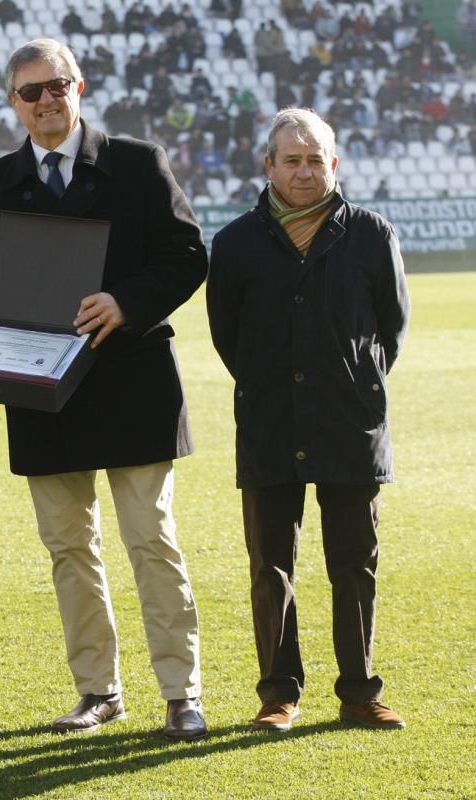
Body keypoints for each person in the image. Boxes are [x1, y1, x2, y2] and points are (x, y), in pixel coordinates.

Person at [0, 38, 209, 740]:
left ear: (79, 86)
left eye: (55, 86)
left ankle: (182, 693)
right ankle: (98, 691)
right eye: (30, 92)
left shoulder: (137, 163)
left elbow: (188, 255)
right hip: (42, 394)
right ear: (13, 104)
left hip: (133, 384)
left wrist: (126, 301)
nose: (45, 101)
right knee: (70, 549)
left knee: (152, 540)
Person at [206, 108, 410, 733]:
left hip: (350, 426)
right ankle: (278, 694)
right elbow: (227, 338)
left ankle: (359, 691)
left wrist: (350, 385)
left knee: (354, 562)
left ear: (334, 164)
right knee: (271, 567)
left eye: (314, 159)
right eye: (290, 160)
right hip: (268, 423)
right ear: (267, 166)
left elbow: (391, 331)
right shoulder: (236, 242)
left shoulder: (373, 234)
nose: (303, 171)